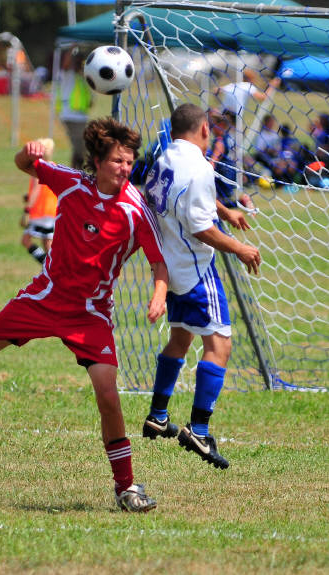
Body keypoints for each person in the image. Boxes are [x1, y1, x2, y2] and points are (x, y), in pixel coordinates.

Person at [0, 116, 168, 513]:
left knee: (108, 395)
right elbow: (23, 164)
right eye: (118, 161)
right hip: (43, 298)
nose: (125, 169)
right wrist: (27, 151)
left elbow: (158, 262)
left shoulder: (135, 209)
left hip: (90, 314)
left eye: (129, 162)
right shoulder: (71, 183)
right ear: (98, 162)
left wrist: (159, 294)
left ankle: (126, 488)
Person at [142, 103, 261, 470]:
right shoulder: (199, 169)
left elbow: (184, 201)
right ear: (205, 130)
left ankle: (158, 415)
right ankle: (199, 430)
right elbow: (199, 227)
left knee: (180, 339)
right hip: (196, 269)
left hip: (170, 266)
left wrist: (225, 212)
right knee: (220, 344)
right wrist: (239, 248)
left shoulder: (164, 160)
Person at [207, 109, 254, 210]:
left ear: (221, 125)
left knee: (215, 204)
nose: (212, 128)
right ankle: (241, 202)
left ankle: (241, 202)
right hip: (230, 171)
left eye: (213, 125)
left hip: (222, 174)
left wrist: (210, 165)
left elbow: (216, 155)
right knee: (219, 204)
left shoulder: (219, 140)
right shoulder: (228, 137)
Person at [20, 138, 57, 264]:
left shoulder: (38, 168)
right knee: (47, 243)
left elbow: (36, 190)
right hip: (52, 211)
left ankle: (49, 266)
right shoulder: (54, 166)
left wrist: (27, 210)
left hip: (41, 211)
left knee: (26, 240)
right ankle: (51, 266)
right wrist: (28, 196)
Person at [57, 46, 92, 169]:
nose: (80, 64)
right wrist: (73, 46)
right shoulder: (67, 74)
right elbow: (66, 64)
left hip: (81, 116)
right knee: (80, 147)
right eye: (78, 61)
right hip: (70, 116)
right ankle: (75, 171)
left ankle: (75, 171)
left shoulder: (82, 78)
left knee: (80, 147)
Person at [216, 68, 281, 124]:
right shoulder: (248, 86)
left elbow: (216, 90)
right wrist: (272, 85)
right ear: (251, 78)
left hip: (222, 113)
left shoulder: (233, 85)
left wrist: (219, 103)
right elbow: (263, 97)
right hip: (233, 117)